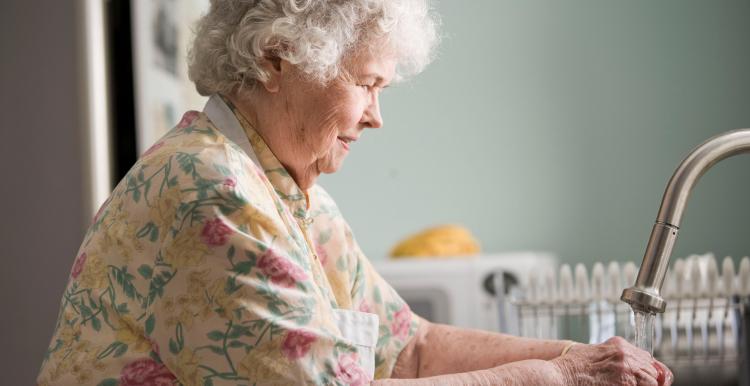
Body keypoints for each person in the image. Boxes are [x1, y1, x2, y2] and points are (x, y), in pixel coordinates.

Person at [37, 0, 673, 385]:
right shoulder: (213, 192)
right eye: (367, 84)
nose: (376, 116)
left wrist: (584, 359)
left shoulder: (287, 192)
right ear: (278, 58)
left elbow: (411, 348)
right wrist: (555, 376)